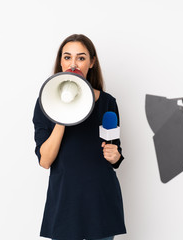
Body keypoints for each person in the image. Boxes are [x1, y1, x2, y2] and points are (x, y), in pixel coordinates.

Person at [33, 34, 126, 240]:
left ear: (92, 62)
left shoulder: (107, 103)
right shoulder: (45, 104)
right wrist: (61, 114)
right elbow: (45, 160)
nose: (73, 64)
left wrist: (115, 156)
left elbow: (115, 152)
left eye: (81, 58)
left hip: (100, 200)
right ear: (60, 61)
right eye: (67, 57)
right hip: (65, 201)